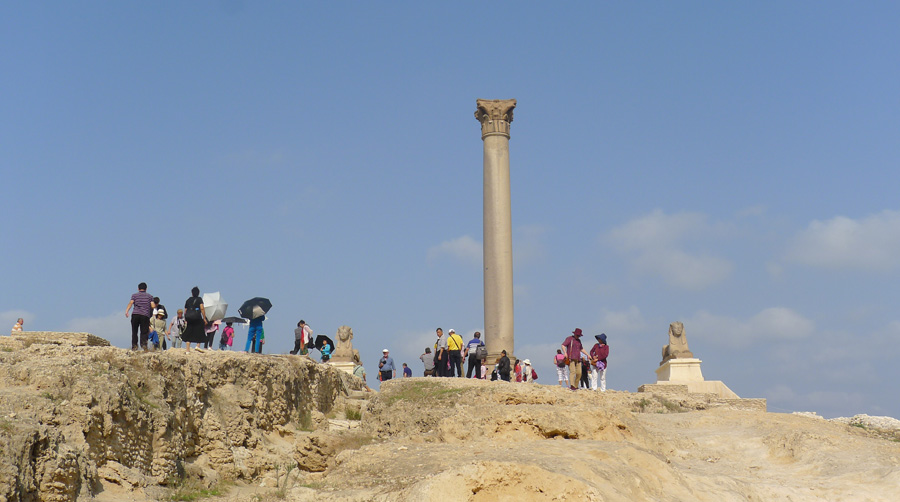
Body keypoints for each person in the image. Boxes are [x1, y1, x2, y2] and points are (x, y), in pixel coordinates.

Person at [125, 282, 156, 351]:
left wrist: (127, 311)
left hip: (135, 314)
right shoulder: (150, 296)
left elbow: (131, 303)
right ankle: (144, 346)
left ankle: (134, 346)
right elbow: (153, 305)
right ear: (146, 289)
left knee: (134, 331)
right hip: (145, 315)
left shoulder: (134, 295)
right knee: (144, 332)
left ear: (138, 288)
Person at [182, 286, 208, 352]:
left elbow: (185, 310)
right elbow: (202, 308)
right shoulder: (199, 299)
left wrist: (185, 318)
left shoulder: (188, 300)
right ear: (198, 293)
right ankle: (197, 345)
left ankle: (187, 350)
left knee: (189, 332)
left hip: (189, 318)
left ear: (192, 293)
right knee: (200, 330)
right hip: (197, 317)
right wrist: (204, 318)